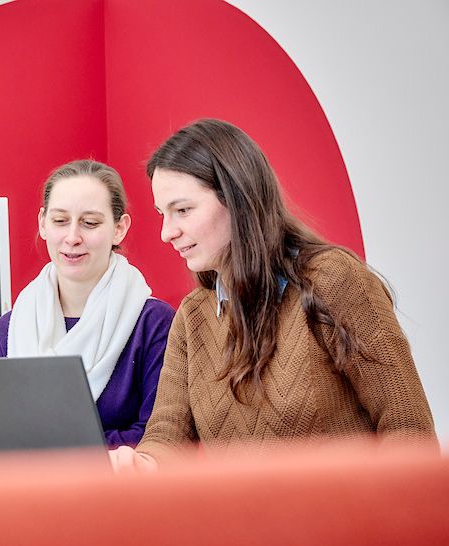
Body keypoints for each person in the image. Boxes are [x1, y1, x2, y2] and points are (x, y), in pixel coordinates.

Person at [113, 119, 435, 470]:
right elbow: (167, 434)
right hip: (243, 524)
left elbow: (408, 430)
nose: (167, 233)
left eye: (183, 210)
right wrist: (141, 464)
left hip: (348, 521)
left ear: (236, 198)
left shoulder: (333, 279)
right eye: (163, 214)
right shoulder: (194, 316)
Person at [0, 159, 174, 446]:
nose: (72, 237)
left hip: (122, 489)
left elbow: (159, 437)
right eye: (60, 221)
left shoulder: (154, 324)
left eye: (90, 223)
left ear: (119, 228)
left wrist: (51, 450)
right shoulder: (7, 332)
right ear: (43, 224)